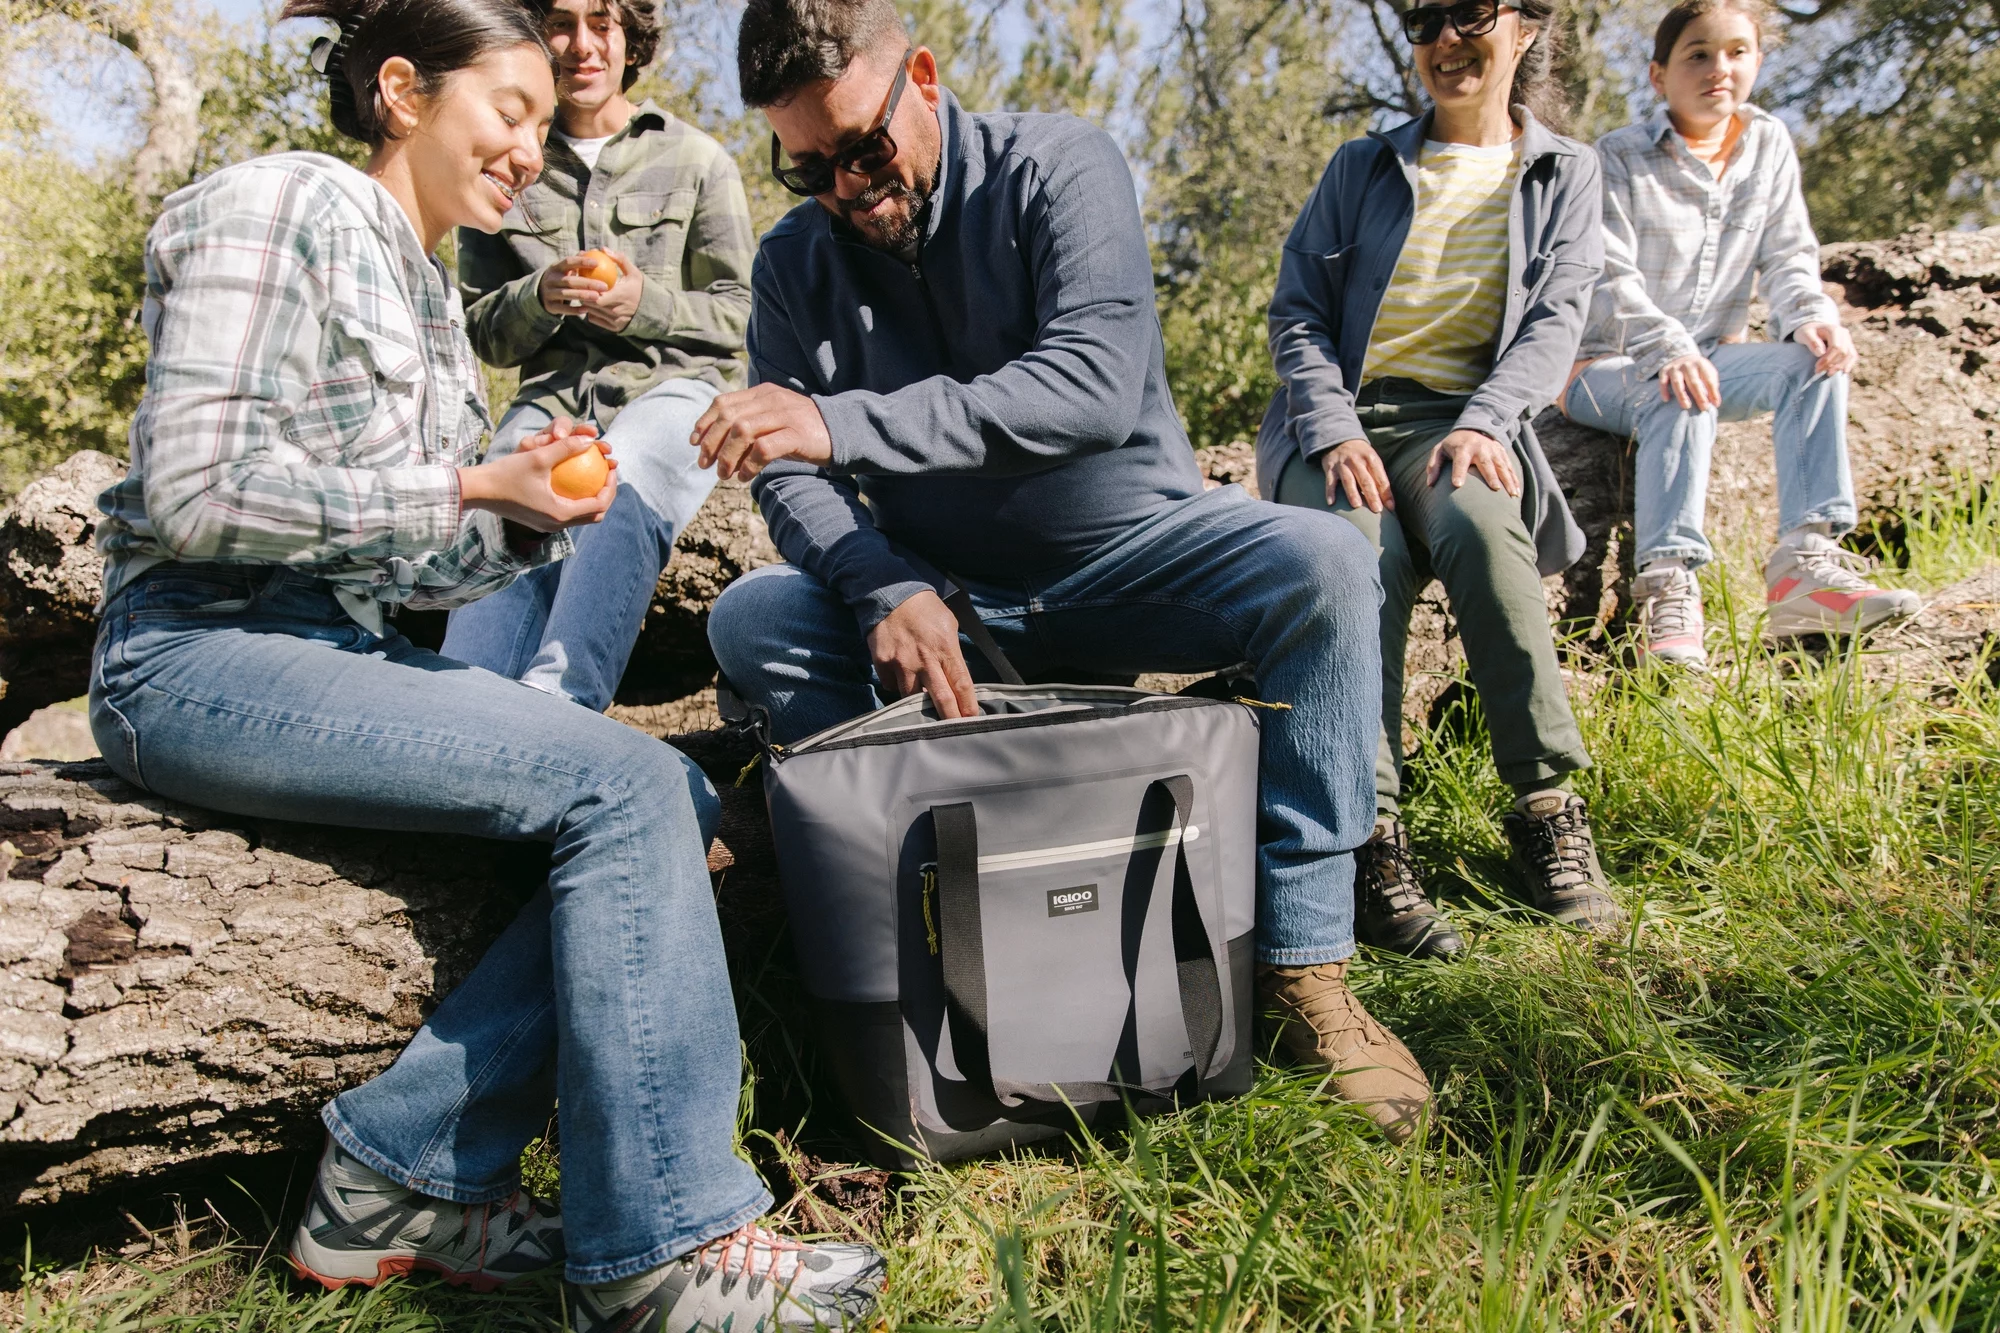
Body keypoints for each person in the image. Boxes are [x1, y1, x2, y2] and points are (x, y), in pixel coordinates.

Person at [86, 0, 883, 1327]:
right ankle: (659, 1254)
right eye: (506, 112)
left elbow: (412, 566)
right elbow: (193, 486)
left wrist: (513, 518)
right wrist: (464, 478)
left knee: (673, 792)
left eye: (535, 121)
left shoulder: (436, 303)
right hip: (192, 649)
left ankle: (393, 1175)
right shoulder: (281, 201)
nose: (528, 146)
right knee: (629, 791)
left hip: (323, 649)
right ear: (403, 90)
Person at [702, 0, 1432, 1144]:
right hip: (946, 601)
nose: (845, 186)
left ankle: (1304, 969)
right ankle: (905, 937)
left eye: (861, 148)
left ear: (924, 79)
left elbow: (1086, 386)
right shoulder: (792, 261)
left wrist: (837, 425)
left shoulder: (1060, 166)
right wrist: (882, 583)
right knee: (753, 619)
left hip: (1133, 561)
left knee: (1328, 563)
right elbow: (785, 480)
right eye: (807, 168)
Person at [1259, 0, 1621, 949]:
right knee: (1355, 557)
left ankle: (1546, 809)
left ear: (1529, 27)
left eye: (1469, 14)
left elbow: (1555, 320)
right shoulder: (1362, 165)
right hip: (1337, 421)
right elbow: (1297, 312)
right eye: (1423, 20)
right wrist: (1331, 431)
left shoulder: (1567, 171)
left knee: (1482, 526)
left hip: (1456, 419)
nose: (1445, 42)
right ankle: (1373, 837)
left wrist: (1487, 422)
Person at [1564, 0, 1916, 668]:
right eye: (1698, 54)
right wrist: (1669, 347)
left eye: (1737, 52)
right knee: (1682, 387)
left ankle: (1802, 570)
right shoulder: (1618, 156)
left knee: (1812, 364)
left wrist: (1810, 316)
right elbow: (1610, 276)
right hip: (1601, 366)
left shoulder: (1768, 144)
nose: (1718, 68)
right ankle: (1669, 585)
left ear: (1756, 62)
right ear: (1658, 75)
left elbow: (1788, 254)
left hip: (1716, 356)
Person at [442, 0, 754, 711]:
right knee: (495, 506)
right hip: (548, 403)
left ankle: (559, 718)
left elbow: (740, 316)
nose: (582, 44)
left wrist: (645, 303)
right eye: (560, 21)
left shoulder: (697, 159)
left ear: (629, 37)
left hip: (672, 394)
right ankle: (460, 725)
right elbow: (483, 332)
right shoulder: (506, 166)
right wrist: (539, 297)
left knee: (624, 472)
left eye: (602, 22)